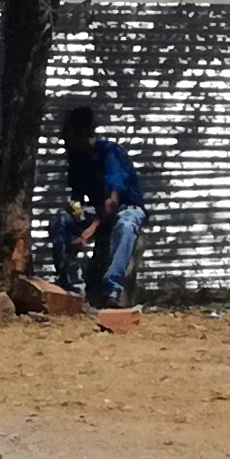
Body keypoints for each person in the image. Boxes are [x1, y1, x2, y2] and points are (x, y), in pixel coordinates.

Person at [57, 98, 143, 307]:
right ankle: (72, 290)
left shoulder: (111, 154)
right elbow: (77, 195)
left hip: (125, 208)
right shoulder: (76, 158)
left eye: (69, 133)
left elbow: (112, 201)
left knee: (126, 226)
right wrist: (76, 213)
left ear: (83, 133)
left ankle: (112, 289)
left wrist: (89, 232)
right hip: (97, 211)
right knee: (59, 221)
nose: (64, 139)